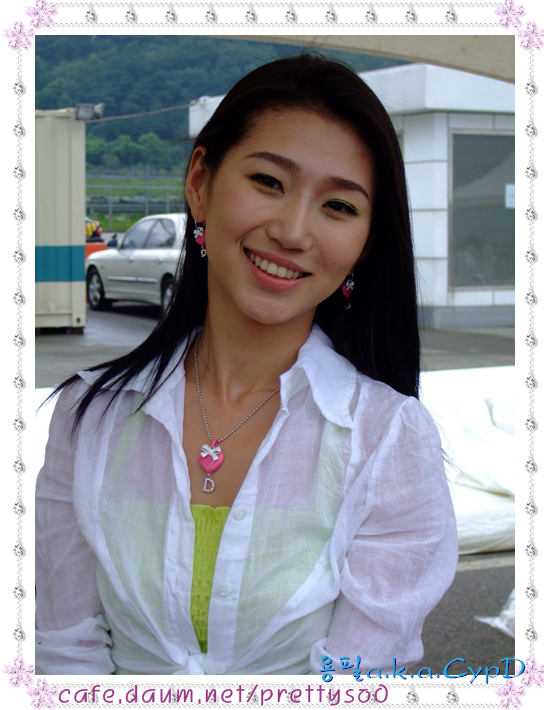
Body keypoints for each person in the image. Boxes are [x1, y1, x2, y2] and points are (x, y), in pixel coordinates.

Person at [36, 53, 457, 676]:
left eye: (339, 207)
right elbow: (62, 652)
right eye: (269, 181)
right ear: (200, 183)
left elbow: (356, 683)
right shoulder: (88, 417)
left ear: (366, 243)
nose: (293, 231)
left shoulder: (389, 441)